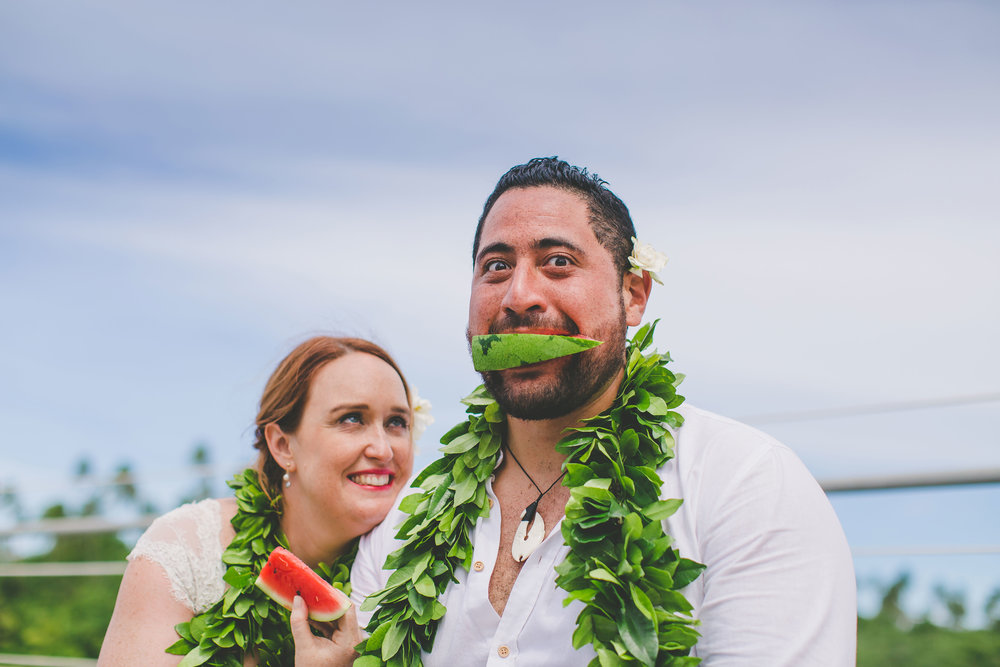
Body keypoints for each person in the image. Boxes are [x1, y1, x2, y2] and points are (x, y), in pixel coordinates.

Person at [351, 157, 857, 665]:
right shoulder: (400, 530)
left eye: (558, 262)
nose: (519, 295)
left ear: (633, 295)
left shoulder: (747, 487)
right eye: (496, 266)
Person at [98, 336, 419, 666]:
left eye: (397, 422)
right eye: (351, 419)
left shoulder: (425, 570)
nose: (383, 449)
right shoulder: (185, 549)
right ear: (282, 445)